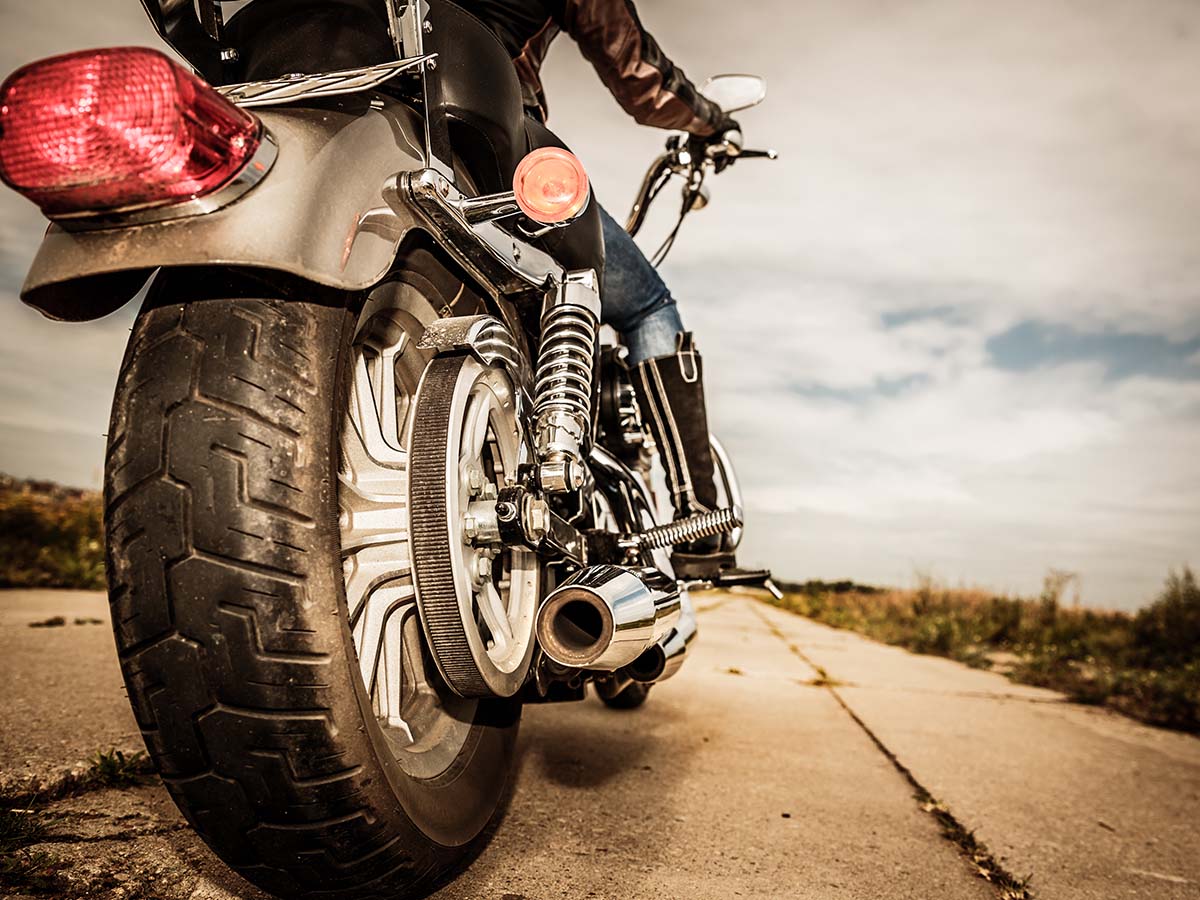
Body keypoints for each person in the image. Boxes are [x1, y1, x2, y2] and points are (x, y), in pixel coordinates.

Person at [457, 0, 741, 576]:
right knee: (647, 304)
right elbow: (637, 68)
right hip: (479, 133)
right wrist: (712, 121)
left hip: (317, 110)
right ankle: (700, 523)